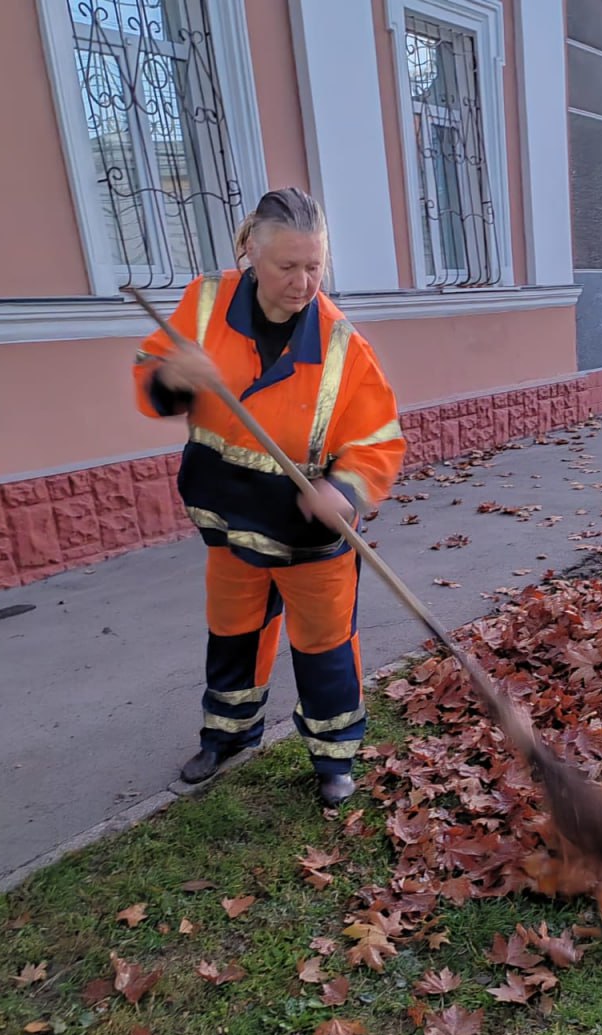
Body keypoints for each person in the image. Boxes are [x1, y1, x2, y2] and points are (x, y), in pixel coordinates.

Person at [133, 187, 405, 802]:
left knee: (324, 648)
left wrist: (343, 489)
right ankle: (228, 734)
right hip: (228, 518)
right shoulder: (206, 303)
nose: (302, 283)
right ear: (251, 253)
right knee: (233, 632)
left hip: (309, 535)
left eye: (314, 266)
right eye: (287, 266)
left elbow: (378, 441)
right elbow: (152, 376)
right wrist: (172, 376)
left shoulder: (341, 345)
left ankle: (334, 757)